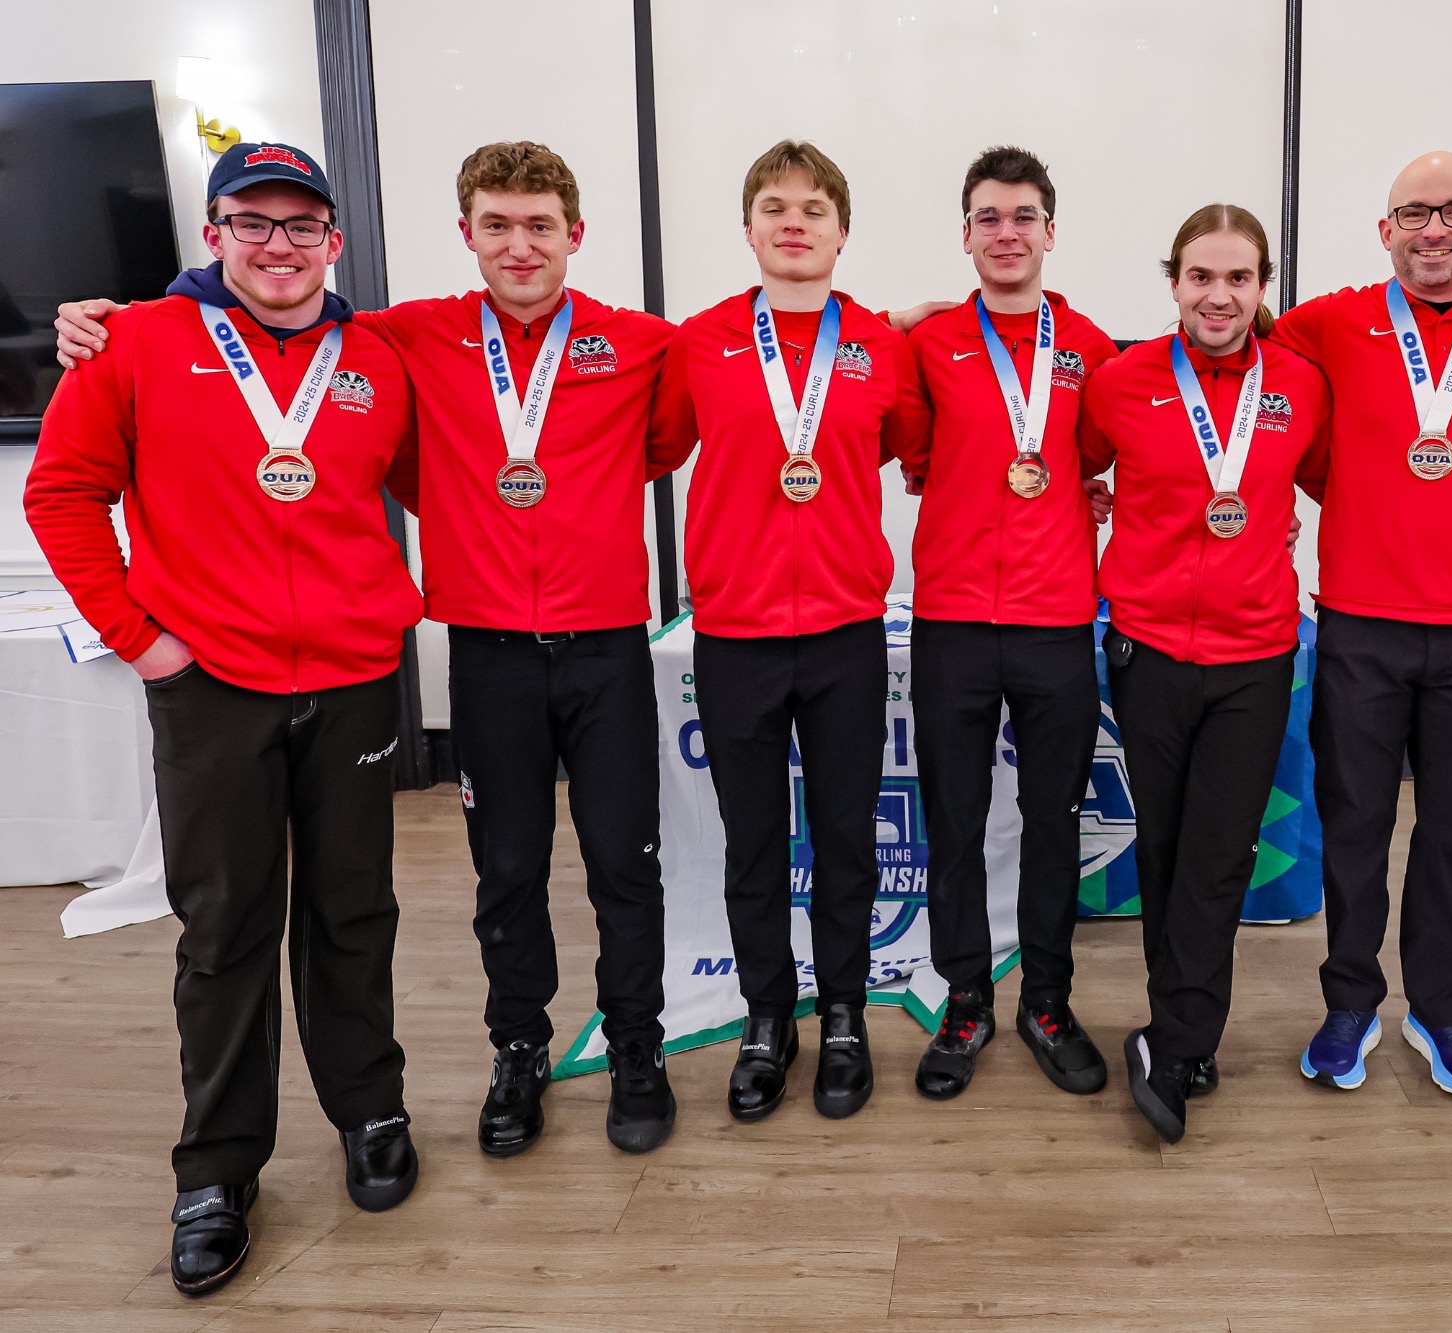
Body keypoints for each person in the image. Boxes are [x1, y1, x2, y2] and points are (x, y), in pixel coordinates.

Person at [59, 142, 681, 1161]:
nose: (519, 245)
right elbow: (257, 307)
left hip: (605, 643)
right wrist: (124, 313)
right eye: (496, 224)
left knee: (623, 865)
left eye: (539, 225)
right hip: (482, 650)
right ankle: (516, 1049)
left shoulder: (643, 344)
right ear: (466, 234)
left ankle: (636, 1049)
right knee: (506, 871)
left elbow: (668, 438)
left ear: (576, 234)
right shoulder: (406, 338)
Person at [27, 142, 424, 1297]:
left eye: (302, 226)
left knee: (355, 908)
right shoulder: (135, 341)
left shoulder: (376, 359)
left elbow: (430, 483)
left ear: (334, 241)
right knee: (224, 927)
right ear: (213, 234)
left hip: (351, 676)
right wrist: (138, 637)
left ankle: (370, 1110)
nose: (278, 247)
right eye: (252, 223)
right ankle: (215, 1167)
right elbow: (60, 491)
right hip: (211, 685)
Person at [654, 141, 929, 1122]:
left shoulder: (882, 348)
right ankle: (768, 1015)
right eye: (773, 206)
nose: (794, 222)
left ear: (841, 230)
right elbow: (645, 446)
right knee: (754, 843)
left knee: (847, 838)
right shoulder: (698, 343)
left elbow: (919, 454)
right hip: (734, 635)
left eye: (814, 207)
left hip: (848, 634)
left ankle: (845, 1012)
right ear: (748, 229)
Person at [1274, 151, 1452, 1099]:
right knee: (1354, 827)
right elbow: (1230, 348)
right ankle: (1349, 1003)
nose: (1434, 230)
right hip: (1359, 627)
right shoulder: (1330, 321)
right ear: (1385, 231)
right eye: (1414, 214)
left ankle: (1443, 1010)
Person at [1079, 204, 1331, 1144]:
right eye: (1199, 277)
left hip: (1255, 658)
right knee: (1167, 848)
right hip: (1145, 649)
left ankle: (1179, 1039)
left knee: (1220, 853)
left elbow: (1326, 479)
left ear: (1263, 288)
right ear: (1173, 282)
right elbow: (1066, 469)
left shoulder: (1301, 384)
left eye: (1238, 278)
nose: (1218, 296)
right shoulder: (1120, 383)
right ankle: (1182, 1024)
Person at [897, 146, 1121, 1100]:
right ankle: (962, 999)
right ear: (966, 235)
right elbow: (909, 450)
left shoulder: (1096, 348)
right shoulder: (929, 343)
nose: (1007, 233)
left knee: (1050, 820)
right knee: (953, 822)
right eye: (988, 217)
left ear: (1050, 232)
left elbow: (1122, 446)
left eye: (1023, 216)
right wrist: (900, 313)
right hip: (951, 618)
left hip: (1057, 621)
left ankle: (1047, 1000)